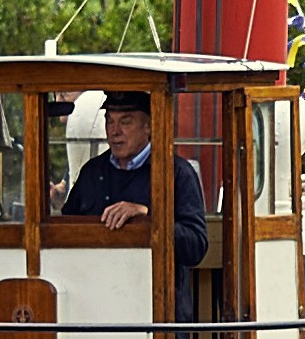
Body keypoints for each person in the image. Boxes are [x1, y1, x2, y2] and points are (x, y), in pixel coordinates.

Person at [61, 93, 210, 261]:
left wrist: (149, 217)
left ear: (148, 127)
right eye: (110, 121)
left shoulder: (176, 173)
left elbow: (196, 246)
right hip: (98, 282)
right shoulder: (92, 171)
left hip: (156, 285)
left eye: (125, 122)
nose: (115, 131)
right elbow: (65, 230)